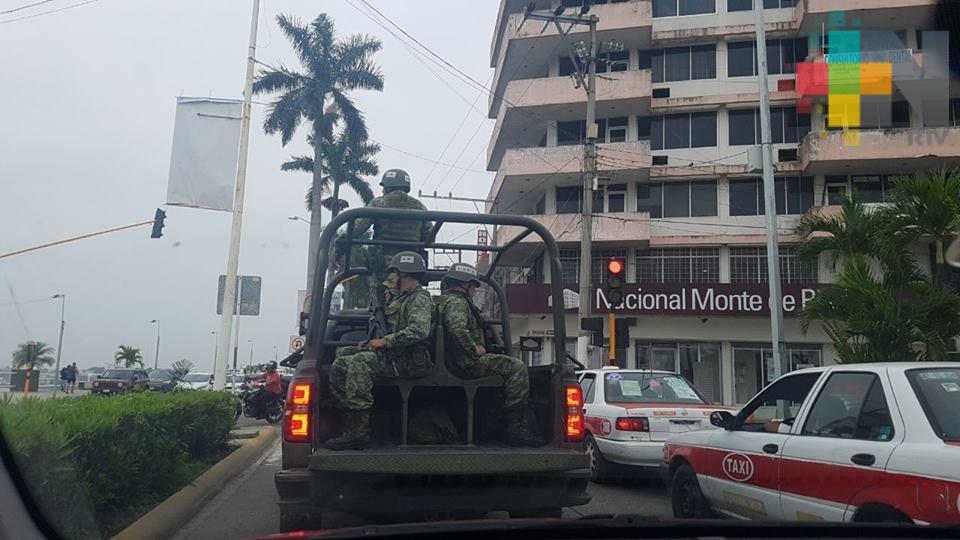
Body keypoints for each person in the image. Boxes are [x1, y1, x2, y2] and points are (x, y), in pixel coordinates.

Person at [325, 251, 435, 450]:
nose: (390, 278)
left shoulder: (419, 299)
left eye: (394, 273)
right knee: (342, 359)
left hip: (410, 361)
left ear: (404, 274)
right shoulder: (399, 299)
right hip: (395, 356)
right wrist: (370, 343)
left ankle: (359, 433)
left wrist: (385, 342)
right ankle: (361, 420)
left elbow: (419, 330)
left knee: (360, 363)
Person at [436, 263, 541, 447]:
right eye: (473, 287)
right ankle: (516, 429)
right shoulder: (457, 303)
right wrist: (473, 349)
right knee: (517, 368)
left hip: (454, 362)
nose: (474, 291)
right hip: (466, 364)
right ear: (465, 285)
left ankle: (490, 426)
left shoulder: (444, 302)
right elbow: (456, 328)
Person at [345, 169, 432, 305]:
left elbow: (358, 227)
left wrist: (339, 245)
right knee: (411, 300)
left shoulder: (379, 203)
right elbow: (429, 237)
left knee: (379, 302)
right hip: (414, 264)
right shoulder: (420, 207)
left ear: (388, 186)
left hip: (385, 263)